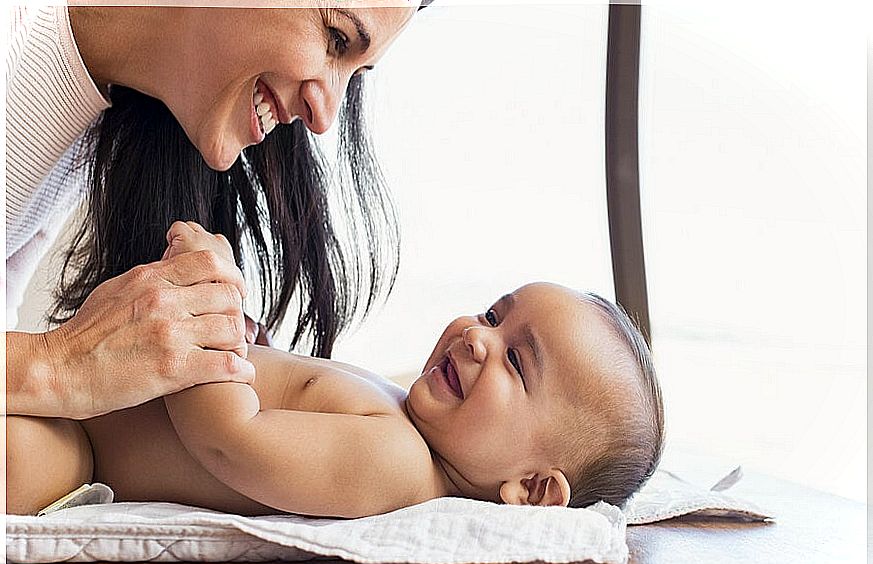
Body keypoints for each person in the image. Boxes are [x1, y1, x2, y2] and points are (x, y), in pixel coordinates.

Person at [6, 223, 664, 518]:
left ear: (531, 490)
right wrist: (257, 346)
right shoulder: (399, 417)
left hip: (82, 450)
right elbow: (285, 390)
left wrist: (213, 320)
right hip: (89, 403)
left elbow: (231, 442)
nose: (474, 337)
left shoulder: (396, 462)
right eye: (493, 315)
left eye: (516, 361)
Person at [6, 1, 429, 422]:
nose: (326, 117)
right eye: (337, 38)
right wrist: (58, 365)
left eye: (354, 76)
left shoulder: (84, 123)